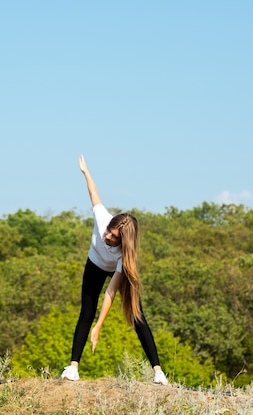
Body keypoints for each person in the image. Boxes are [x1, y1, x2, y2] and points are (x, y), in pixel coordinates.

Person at [60, 154, 168, 386]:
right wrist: (85, 171)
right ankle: (73, 368)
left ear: (123, 242)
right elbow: (93, 192)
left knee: (137, 315)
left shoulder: (123, 257)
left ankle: (158, 372)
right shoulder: (103, 220)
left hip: (113, 270)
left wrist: (100, 327)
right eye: (109, 231)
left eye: (113, 237)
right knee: (86, 312)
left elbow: (110, 293)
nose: (107, 236)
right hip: (94, 264)